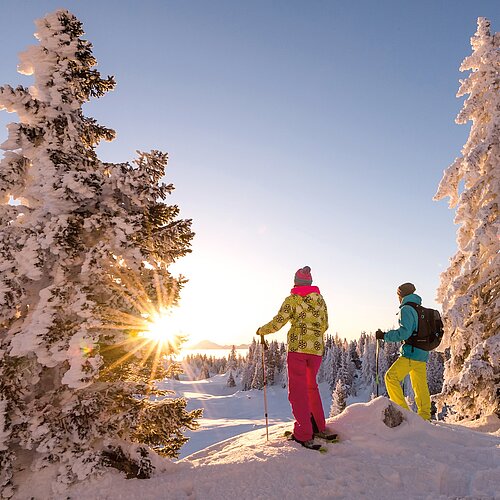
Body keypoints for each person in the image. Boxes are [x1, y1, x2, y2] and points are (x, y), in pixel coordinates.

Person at [257, 266, 333, 448]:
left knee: (298, 392)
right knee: (311, 387)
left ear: (296, 282)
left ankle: (303, 433)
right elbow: (325, 324)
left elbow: (279, 321)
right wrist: (314, 337)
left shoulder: (292, 299)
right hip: (316, 350)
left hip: (297, 349)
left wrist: (262, 331)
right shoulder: (320, 300)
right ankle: (318, 427)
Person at [376, 282, 431, 421]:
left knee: (391, 377)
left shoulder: (406, 309)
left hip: (411, 353)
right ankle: (425, 417)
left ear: (401, 295)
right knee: (420, 386)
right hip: (423, 353)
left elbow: (404, 333)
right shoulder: (420, 308)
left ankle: (404, 414)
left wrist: (384, 336)